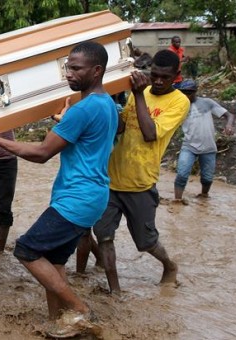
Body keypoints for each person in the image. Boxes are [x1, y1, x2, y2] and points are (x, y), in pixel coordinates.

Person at [0, 41, 117, 338]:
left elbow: (40, 153)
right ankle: (57, 323)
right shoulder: (106, 103)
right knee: (55, 262)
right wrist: (66, 121)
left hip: (77, 198)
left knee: (27, 249)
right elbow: (87, 135)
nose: (68, 74)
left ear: (97, 70)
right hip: (92, 197)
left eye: (76, 68)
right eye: (67, 68)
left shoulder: (83, 109)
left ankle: (82, 311)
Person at [91, 49, 189, 294]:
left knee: (146, 242)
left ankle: (169, 265)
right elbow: (122, 126)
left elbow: (149, 133)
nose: (157, 81)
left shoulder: (179, 102)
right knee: (103, 235)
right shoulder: (139, 92)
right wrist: (112, 100)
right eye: (154, 75)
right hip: (111, 179)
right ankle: (115, 290)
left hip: (141, 182)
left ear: (177, 75)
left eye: (164, 77)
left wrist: (138, 94)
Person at [173, 79, 235, 202]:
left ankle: (204, 196)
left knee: (207, 178)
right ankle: (177, 200)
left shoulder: (207, 103)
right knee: (182, 174)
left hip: (208, 147)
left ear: (195, 92)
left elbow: (229, 115)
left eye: (189, 92)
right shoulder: (179, 106)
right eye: (184, 92)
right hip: (189, 145)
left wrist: (229, 125)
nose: (186, 95)